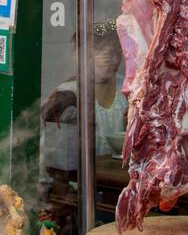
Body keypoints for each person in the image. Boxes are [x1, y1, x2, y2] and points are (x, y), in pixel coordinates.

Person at [42, 21, 127, 165]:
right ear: (81, 56)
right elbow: (56, 156)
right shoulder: (68, 94)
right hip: (82, 181)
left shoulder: (129, 88)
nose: (108, 58)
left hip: (121, 178)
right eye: (99, 51)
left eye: (114, 51)